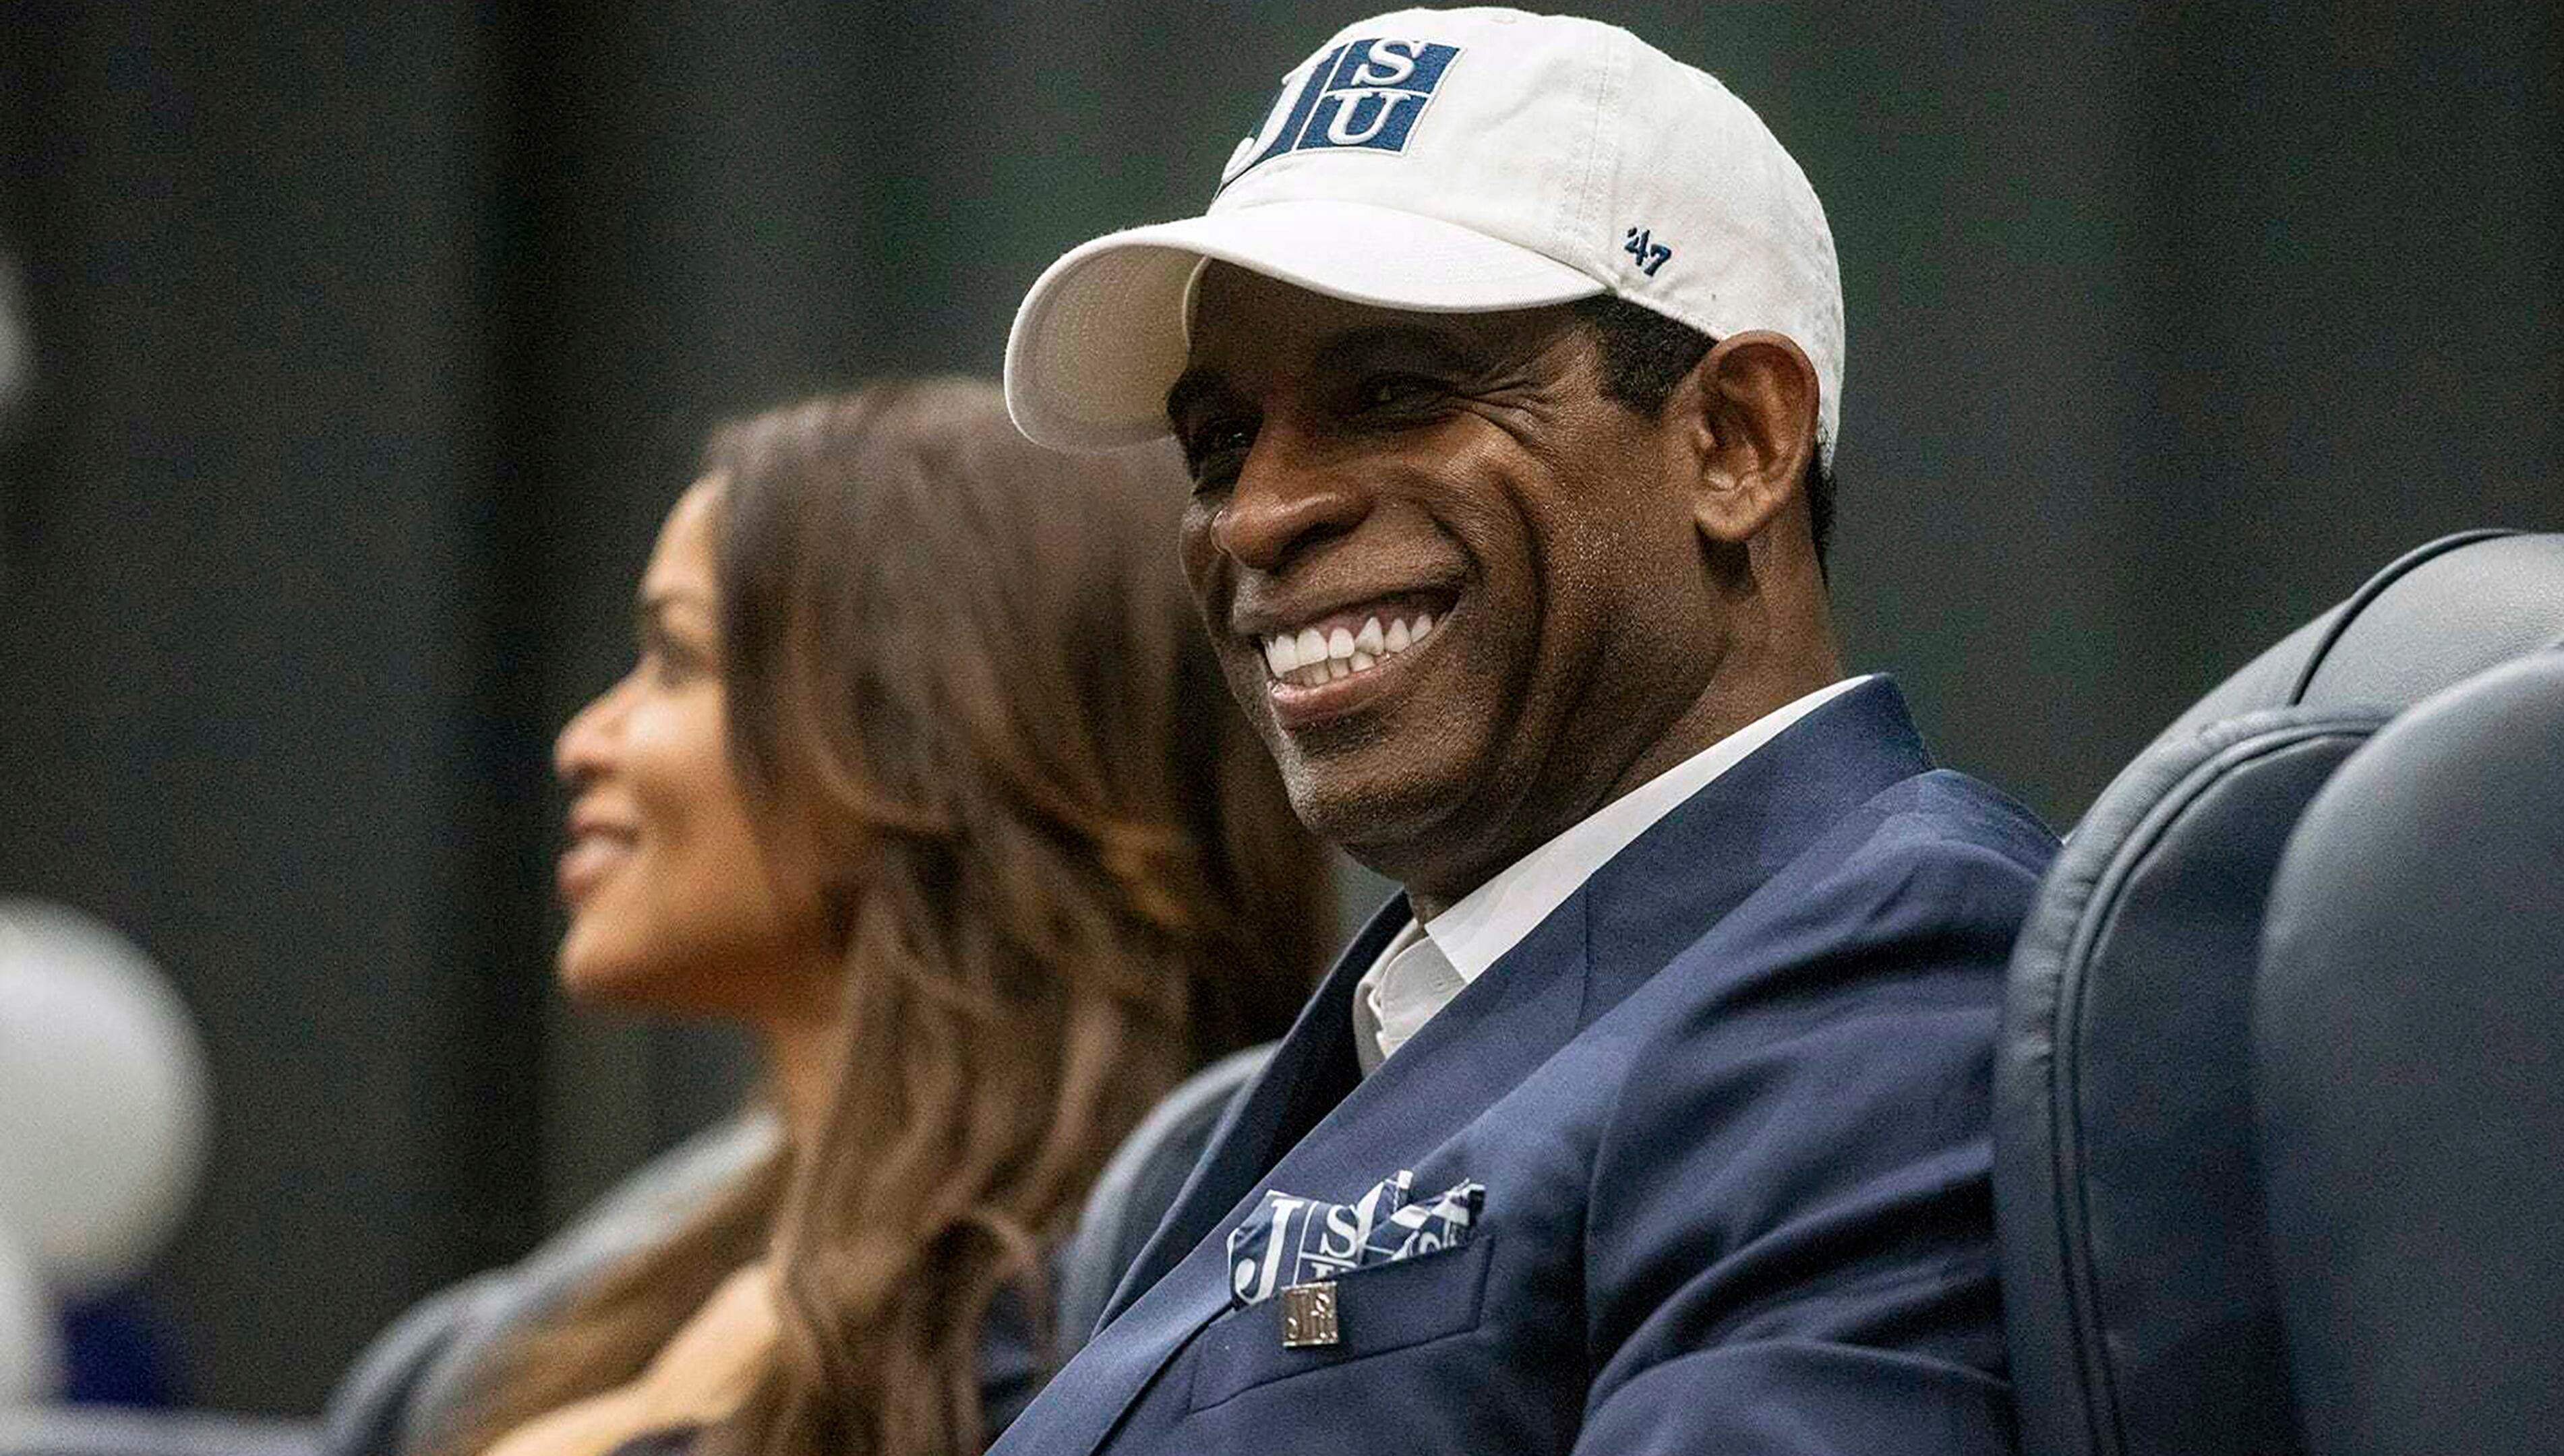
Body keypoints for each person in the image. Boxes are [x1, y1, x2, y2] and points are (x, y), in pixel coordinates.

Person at [991, 9, 2060, 1453]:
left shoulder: (1893, 969)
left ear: (1736, 439)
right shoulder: (1402, 1024)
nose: (1255, 512)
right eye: (1221, 444)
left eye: (1395, 394)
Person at [433, 380, 1332, 1456]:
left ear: (918, 741)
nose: (585, 739)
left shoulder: (1094, 1336)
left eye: (674, 660)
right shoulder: (660, 1265)